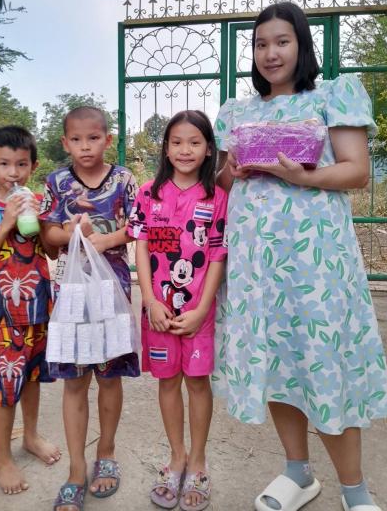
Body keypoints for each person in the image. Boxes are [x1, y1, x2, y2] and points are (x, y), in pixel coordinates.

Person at [214, 1, 387, 511]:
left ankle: (355, 492)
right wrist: (233, 170)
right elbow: (224, 181)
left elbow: (356, 171)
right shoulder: (236, 111)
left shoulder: (332, 96)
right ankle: (298, 473)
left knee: (325, 363)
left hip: (318, 265)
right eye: (260, 44)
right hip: (257, 266)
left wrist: (301, 177)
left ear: (301, 45)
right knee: (277, 363)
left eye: (281, 42)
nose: (270, 53)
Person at [40, 106, 140, 511]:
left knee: (110, 377)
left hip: (112, 292)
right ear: (65, 143)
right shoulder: (56, 182)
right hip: (72, 295)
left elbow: (139, 224)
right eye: (77, 140)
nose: (86, 146)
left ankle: (107, 452)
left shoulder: (124, 180)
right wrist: (70, 232)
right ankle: (76, 469)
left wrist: (107, 239)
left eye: (94, 138)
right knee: (75, 381)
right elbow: (47, 234)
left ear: (107, 139)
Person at [128, 110, 228, 511]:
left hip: (198, 315)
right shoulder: (147, 194)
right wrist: (150, 301)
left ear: (209, 150)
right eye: (176, 142)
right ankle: (176, 459)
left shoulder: (217, 198)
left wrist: (202, 309)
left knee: (198, 384)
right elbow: (140, 248)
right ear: (166, 149)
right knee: (167, 382)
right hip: (159, 314)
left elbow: (218, 255)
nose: (185, 150)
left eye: (195, 142)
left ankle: (198, 462)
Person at [0, 125, 61, 495]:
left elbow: (51, 252)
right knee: (8, 388)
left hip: (40, 310)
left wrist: (42, 222)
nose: (13, 172)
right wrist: (6, 223)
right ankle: (1, 458)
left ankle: (31, 436)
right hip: (4, 317)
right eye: (4, 164)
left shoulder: (37, 200)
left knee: (33, 377)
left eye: (21, 164)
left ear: (33, 166)